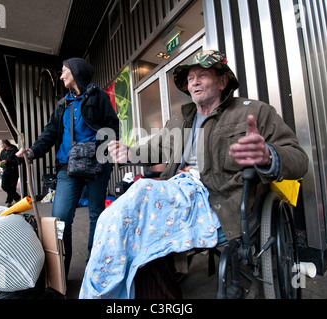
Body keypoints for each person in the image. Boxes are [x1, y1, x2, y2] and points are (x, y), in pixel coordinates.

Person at [79, 50, 309, 299]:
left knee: (138, 205)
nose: (194, 82)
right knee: (116, 221)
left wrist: (268, 155)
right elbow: (156, 148)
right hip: (176, 193)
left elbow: (298, 159)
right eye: (190, 78)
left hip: (219, 202)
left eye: (203, 75)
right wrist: (129, 153)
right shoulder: (180, 119)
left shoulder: (252, 112)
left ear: (223, 82)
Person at [16, 57, 120, 277]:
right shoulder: (63, 104)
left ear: (76, 72)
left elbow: (112, 126)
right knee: (60, 218)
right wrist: (33, 151)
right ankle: (60, 272)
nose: (61, 76)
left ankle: (95, 265)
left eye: (64, 71)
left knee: (96, 215)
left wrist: (108, 150)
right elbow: (50, 133)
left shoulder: (99, 97)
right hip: (67, 168)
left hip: (97, 165)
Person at [0, 139, 21, 207]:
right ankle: (17, 197)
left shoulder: (14, 150)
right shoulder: (3, 151)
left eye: (1, 143)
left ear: (5, 144)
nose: (1, 145)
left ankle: (8, 201)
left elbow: (18, 160)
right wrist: (0, 162)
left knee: (12, 187)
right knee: (4, 186)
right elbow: (0, 159)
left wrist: (7, 162)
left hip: (13, 171)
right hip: (6, 170)